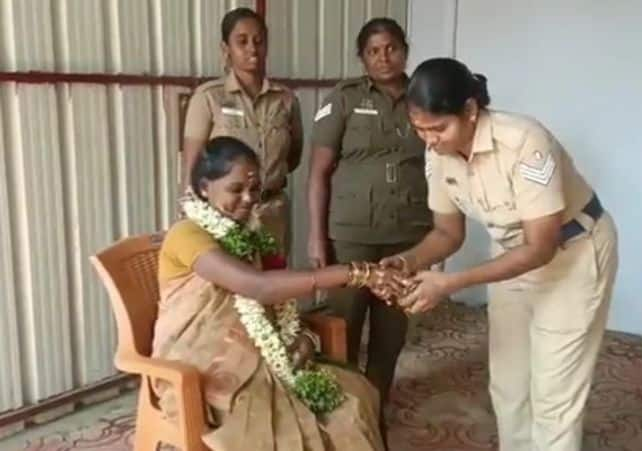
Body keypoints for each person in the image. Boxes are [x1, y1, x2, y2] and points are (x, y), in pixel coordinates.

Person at [383, 58, 619, 451]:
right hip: (511, 257)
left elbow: (541, 245)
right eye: (420, 129)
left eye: (439, 128)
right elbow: (446, 233)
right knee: (508, 386)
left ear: (471, 110)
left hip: (572, 254)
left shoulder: (525, 142)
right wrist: (408, 261)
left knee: (553, 396)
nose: (430, 139)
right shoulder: (437, 153)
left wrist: (451, 283)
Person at [153, 136, 393, 450]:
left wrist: (304, 339)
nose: (249, 199)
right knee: (275, 429)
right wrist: (355, 273)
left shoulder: (250, 233)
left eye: (255, 189)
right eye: (236, 189)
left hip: (265, 354)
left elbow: (276, 304)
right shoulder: (186, 234)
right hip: (204, 368)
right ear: (202, 188)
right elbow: (259, 287)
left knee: (356, 396)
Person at [306, 17, 432, 416]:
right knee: (342, 327)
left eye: (391, 48)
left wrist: (436, 241)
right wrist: (316, 236)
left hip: (407, 235)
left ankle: (374, 410)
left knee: (390, 333)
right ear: (362, 58)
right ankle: (339, 413)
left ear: (405, 50)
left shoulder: (424, 96)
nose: (384, 57)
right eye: (373, 51)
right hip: (351, 235)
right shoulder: (343, 99)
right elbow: (318, 173)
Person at [181, 7, 302, 256]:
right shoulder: (208, 98)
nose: (252, 49)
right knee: (230, 287)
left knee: (274, 284)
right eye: (242, 41)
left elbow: (293, 158)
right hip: (225, 215)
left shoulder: (286, 100)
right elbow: (194, 168)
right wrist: (198, 218)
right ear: (226, 49)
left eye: (259, 41)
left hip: (272, 213)